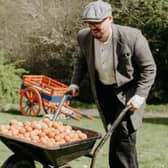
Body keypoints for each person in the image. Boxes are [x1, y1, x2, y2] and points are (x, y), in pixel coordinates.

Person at [68, 0, 157, 167]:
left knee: (123, 134)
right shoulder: (84, 37)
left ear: (110, 19)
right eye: (89, 23)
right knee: (115, 134)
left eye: (97, 22)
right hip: (103, 91)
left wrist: (139, 96)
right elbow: (81, 61)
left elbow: (149, 69)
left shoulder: (132, 37)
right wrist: (74, 84)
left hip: (128, 92)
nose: (93, 27)